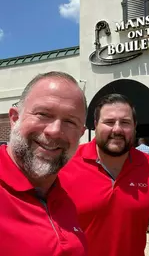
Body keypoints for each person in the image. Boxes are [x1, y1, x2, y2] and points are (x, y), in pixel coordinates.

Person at [60, 93, 149, 256]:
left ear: (135, 126)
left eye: (125, 122)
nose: (117, 129)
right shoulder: (66, 164)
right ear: (95, 125)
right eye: (109, 122)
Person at [0, 71, 87, 255]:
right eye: (43, 114)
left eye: (70, 121)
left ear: (80, 134)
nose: (55, 131)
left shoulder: (64, 198)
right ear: (15, 118)